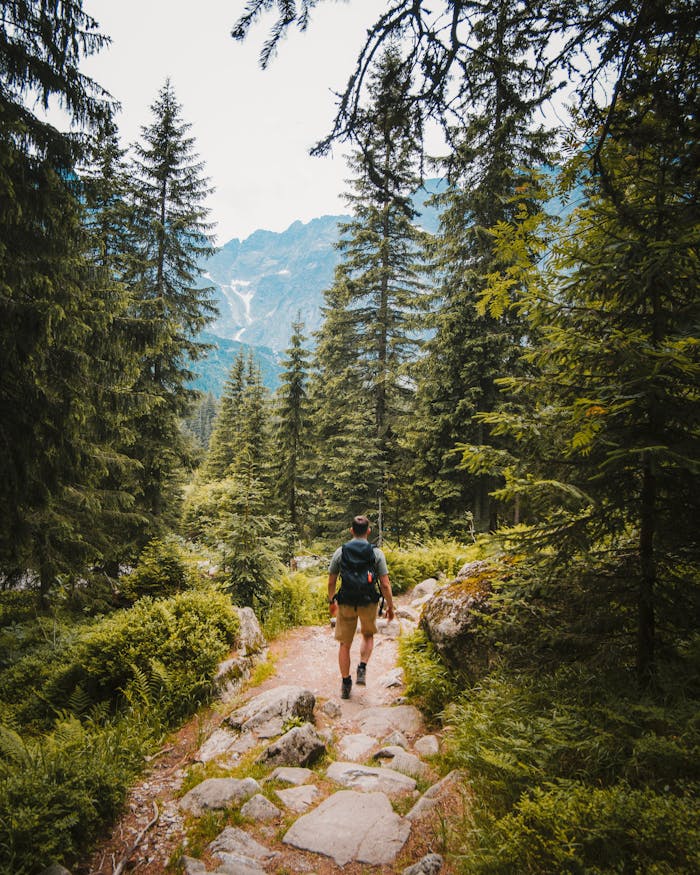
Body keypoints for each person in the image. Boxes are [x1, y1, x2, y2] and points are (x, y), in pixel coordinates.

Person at [327, 515, 395, 699]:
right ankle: (362, 666)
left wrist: (332, 601)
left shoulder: (340, 552)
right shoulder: (376, 553)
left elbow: (332, 581)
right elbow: (386, 584)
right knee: (367, 634)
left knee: (344, 644)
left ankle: (346, 682)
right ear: (368, 531)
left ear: (351, 531)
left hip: (346, 601)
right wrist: (390, 607)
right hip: (368, 601)